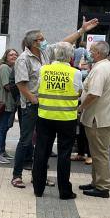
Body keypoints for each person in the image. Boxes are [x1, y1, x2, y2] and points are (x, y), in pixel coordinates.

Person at [10, 19, 99, 188]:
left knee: (42, 143)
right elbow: (21, 83)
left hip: (45, 106)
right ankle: (17, 175)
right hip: (31, 106)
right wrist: (32, 99)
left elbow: (64, 43)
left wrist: (81, 30)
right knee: (26, 141)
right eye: (41, 39)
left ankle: (39, 176)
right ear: (33, 43)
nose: (45, 41)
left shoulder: (45, 53)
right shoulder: (23, 59)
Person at [33, 42, 82, 199]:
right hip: (66, 118)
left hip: (45, 116)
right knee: (64, 155)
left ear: (54, 54)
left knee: (41, 152)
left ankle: (38, 189)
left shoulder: (44, 70)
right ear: (70, 56)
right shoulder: (75, 73)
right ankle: (64, 191)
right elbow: (79, 92)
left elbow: (38, 88)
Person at [79, 40, 110, 198]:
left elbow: (94, 94)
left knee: (100, 154)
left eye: (91, 51)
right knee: (99, 152)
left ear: (98, 53)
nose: (89, 54)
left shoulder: (100, 69)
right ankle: (96, 182)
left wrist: (80, 108)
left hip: (99, 119)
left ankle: (102, 187)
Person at [0, 49, 19, 164]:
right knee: (1, 129)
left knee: (4, 128)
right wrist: (21, 88)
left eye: (15, 54)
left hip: (8, 104)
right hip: (3, 104)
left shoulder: (10, 68)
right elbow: (7, 86)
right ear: (6, 56)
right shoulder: (4, 68)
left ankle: (2, 152)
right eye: (11, 54)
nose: (14, 56)